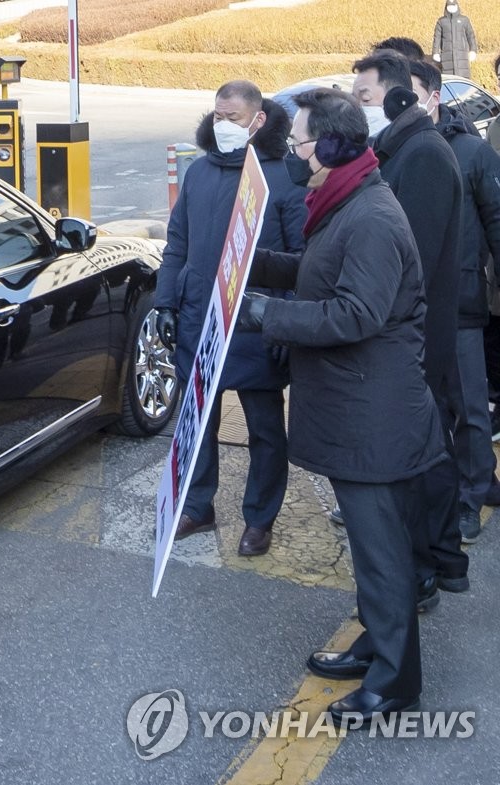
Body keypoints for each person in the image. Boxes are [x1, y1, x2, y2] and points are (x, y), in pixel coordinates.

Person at [238, 87, 446, 726]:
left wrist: (269, 314)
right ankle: (374, 646)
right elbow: (319, 272)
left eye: (300, 142)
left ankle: (396, 684)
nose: (295, 155)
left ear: (330, 146)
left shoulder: (373, 217)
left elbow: (356, 313)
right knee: (369, 550)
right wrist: (255, 264)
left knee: (384, 557)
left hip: (374, 419)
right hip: (357, 410)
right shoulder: (345, 201)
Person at [155, 80, 306, 557]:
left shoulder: (281, 177)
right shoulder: (198, 173)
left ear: (258, 121)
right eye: (218, 117)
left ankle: (259, 518)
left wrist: (287, 321)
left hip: (256, 324)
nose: (223, 126)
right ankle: (198, 506)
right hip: (200, 318)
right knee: (198, 421)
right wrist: (165, 302)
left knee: (264, 428)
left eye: (234, 119)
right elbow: (177, 242)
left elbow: (302, 258)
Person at [350, 49, 466, 609]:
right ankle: (422, 562)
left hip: (413, 340)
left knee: (419, 459)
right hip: (407, 337)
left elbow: (406, 263)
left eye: (365, 98)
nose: (358, 108)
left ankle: (426, 566)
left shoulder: (420, 156)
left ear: (398, 97)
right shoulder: (397, 148)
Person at [409, 57, 500, 546]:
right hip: (406, 307)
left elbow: (498, 221)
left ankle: (472, 496)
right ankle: (429, 496)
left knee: (468, 407)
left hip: (461, 301)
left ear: (433, 97)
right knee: (422, 408)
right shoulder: (386, 153)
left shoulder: (472, 153)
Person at [432, 2, 478, 79]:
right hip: (447, 56)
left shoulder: (464, 20)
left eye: (453, 5)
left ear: (457, 6)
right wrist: (435, 52)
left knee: (464, 80)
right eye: (449, 6)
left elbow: (471, 36)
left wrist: (473, 50)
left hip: (462, 55)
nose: (451, 8)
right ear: (446, 7)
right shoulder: (441, 21)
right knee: (450, 79)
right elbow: (437, 38)